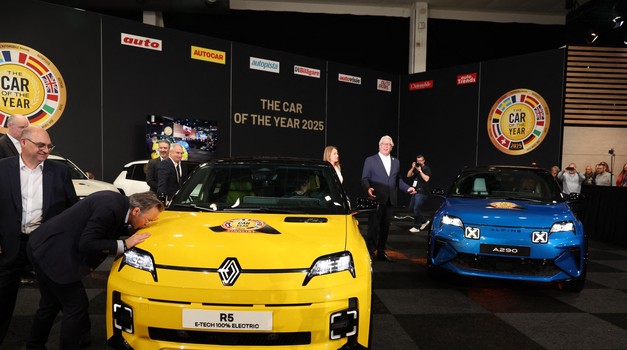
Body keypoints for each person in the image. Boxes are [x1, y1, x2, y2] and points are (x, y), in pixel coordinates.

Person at [26, 191, 164, 349]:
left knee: (50, 304)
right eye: (147, 220)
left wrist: (128, 234)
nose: (146, 225)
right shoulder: (110, 207)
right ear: (136, 211)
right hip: (51, 253)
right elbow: (87, 243)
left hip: (45, 245)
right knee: (76, 306)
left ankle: (34, 345)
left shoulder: (118, 203)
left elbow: (105, 229)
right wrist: (125, 244)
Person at [0, 125, 78, 346]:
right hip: (10, 247)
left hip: (44, 246)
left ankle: (37, 344)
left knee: (54, 298)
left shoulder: (59, 171)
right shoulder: (2, 169)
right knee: (3, 302)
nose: (46, 150)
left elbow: (70, 209)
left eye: (49, 146)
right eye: (41, 145)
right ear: (24, 143)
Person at [361, 135, 415, 262]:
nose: (386, 146)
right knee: (373, 227)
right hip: (376, 199)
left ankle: (381, 251)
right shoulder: (370, 160)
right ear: (379, 146)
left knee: (385, 227)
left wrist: (407, 188)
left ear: (391, 147)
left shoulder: (396, 162)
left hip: (390, 200)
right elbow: (364, 179)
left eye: (388, 144)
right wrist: (368, 188)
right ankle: (370, 252)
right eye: (383, 144)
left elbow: (398, 180)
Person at [406, 154, 431, 233]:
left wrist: (420, 170)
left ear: (424, 161)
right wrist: (413, 167)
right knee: (411, 208)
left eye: (420, 161)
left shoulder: (427, 168)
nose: (419, 162)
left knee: (416, 208)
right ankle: (424, 221)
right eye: (418, 161)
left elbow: (426, 179)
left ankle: (417, 226)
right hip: (415, 191)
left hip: (422, 192)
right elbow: (408, 175)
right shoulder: (416, 168)